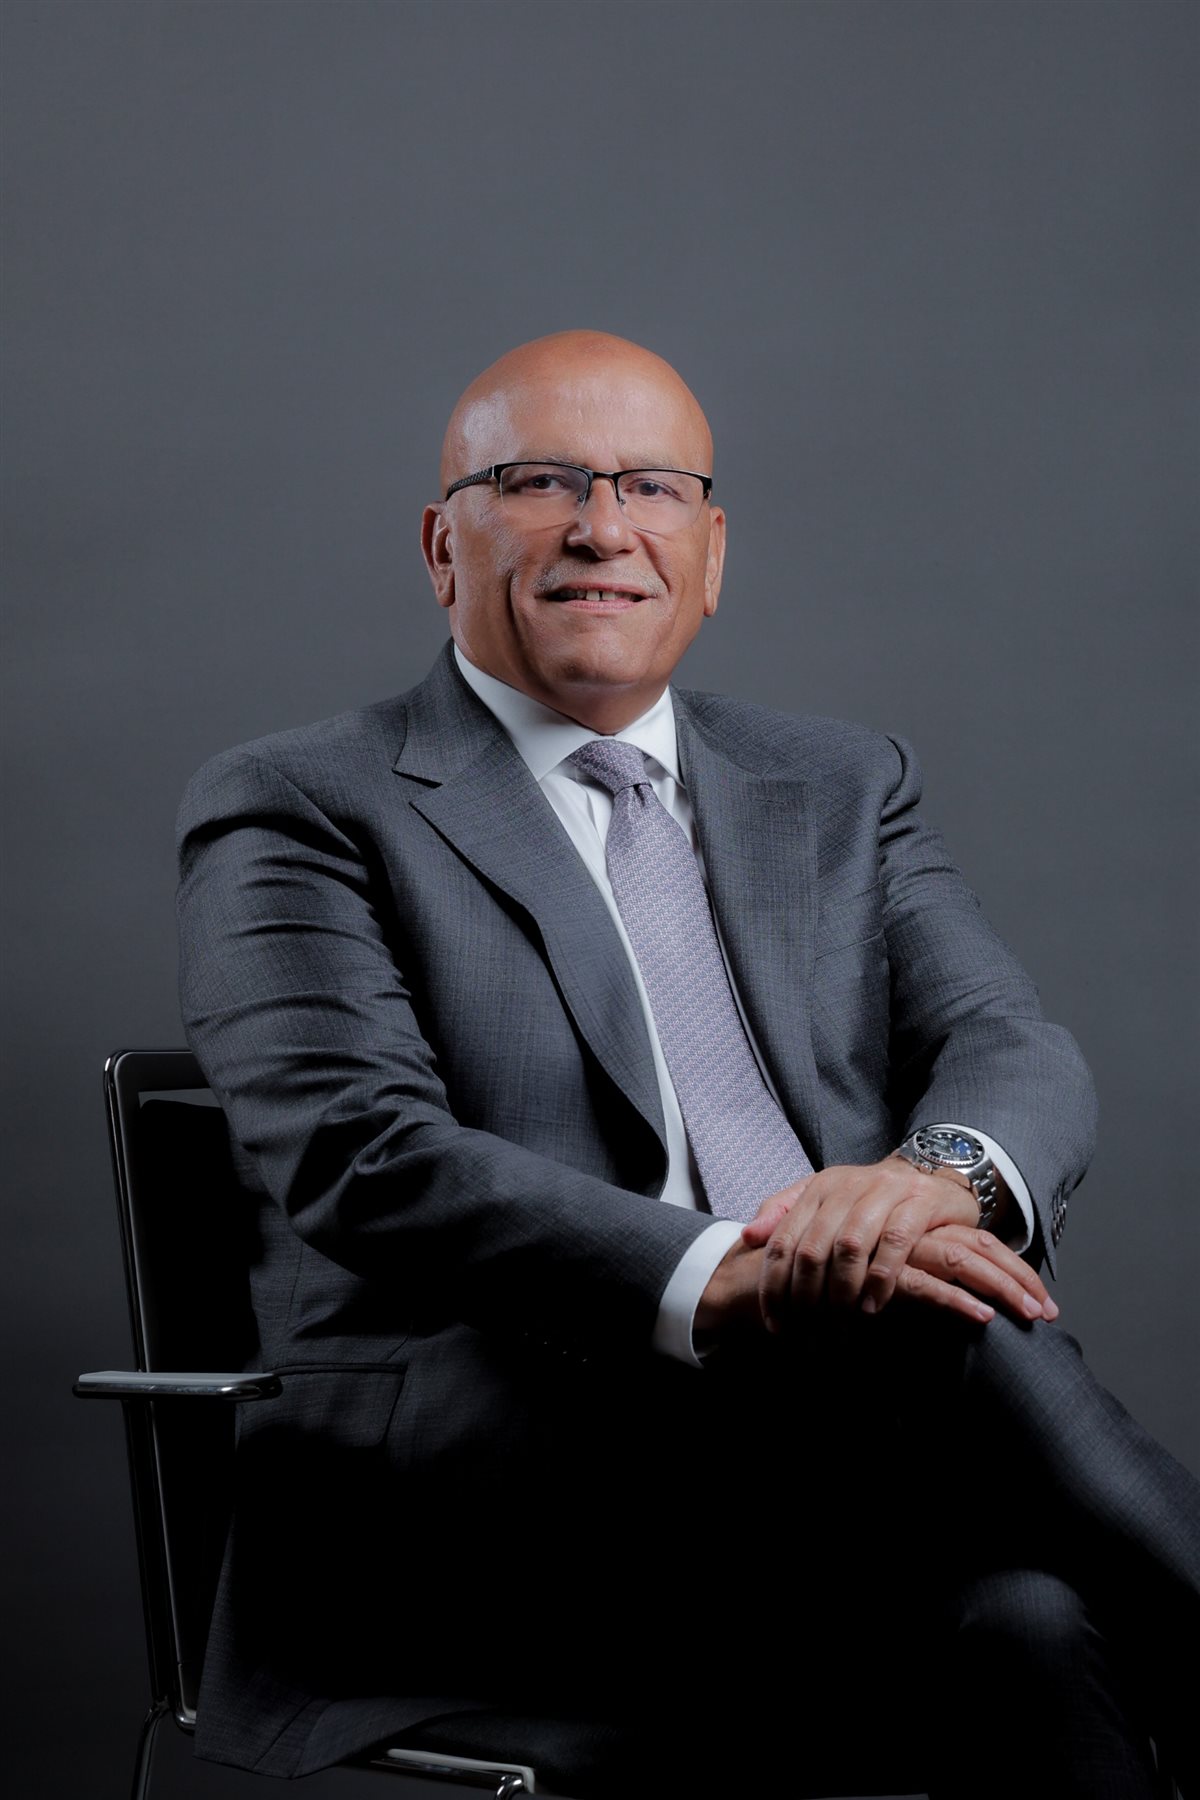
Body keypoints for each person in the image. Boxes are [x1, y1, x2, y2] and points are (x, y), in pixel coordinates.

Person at [177, 330, 1198, 1798]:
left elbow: (1006, 1043)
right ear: (443, 545)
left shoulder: (840, 783)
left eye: (653, 488)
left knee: (1031, 1621)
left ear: (709, 557)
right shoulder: (301, 803)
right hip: (483, 1489)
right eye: (540, 482)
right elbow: (364, 1154)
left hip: (830, 1474)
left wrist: (925, 1185)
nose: (604, 529)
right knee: (928, 1312)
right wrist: (741, 1279)